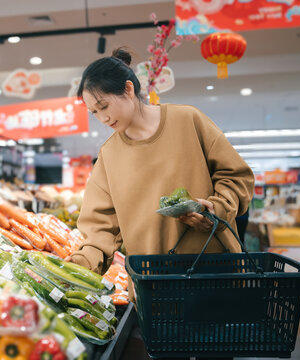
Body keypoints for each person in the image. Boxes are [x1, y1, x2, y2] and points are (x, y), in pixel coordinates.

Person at [68, 47, 254, 360]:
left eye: (103, 106)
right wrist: (78, 265)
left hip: (214, 275)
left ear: (128, 90)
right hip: (155, 288)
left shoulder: (188, 120)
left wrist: (215, 208)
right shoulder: (109, 157)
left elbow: (237, 178)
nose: (102, 118)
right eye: (94, 113)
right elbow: (99, 228)